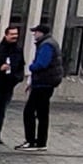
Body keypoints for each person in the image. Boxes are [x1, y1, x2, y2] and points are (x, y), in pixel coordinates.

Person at [16, 23, 63, 152]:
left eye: (35, 32)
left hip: (43, 83)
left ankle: (31, 141)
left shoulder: (46, 45)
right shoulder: (50, 43)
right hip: (46, 82)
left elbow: (42, 64)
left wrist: (32, 67)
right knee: (42, 113)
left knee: (29, 111)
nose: (34, 34)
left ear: (41, 33)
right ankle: (41, 142)